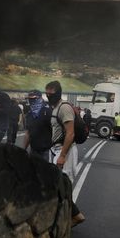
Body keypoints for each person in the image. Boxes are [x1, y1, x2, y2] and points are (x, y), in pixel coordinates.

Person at [46, 80, 85, 226]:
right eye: (47, 93)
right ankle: (62, 218)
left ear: (58, 92)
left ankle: (76, 215)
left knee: (62, 186)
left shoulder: (64, 108)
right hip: (57, 149)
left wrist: (62, 156)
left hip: (65, 151)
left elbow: (70, 134)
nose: (49, 95)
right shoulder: (55, 108)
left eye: (51, 93)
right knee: (56, 186)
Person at [22, 90, 53, 160]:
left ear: (40, 98)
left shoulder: (48, 111)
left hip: (46, 151)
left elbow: (55, 129)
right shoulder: (29, 114)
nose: (31, 101)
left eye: (33, 99)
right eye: (30, 99)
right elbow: (28, 133)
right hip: (33, 150)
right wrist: (23, 149)